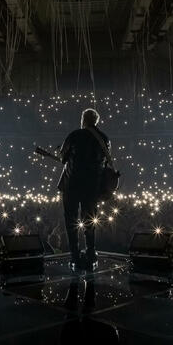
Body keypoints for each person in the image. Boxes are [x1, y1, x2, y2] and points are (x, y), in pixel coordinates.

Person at [58, 108, 110, 273]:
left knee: (71, 220)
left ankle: (75, 255)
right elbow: (105, 162)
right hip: (92, 187)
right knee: (90, 220)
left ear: (83, 119)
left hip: (72, 185)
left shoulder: (74, 135)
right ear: (96, 121)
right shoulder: (104, 138)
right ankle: (90, 252)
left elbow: (63, 158)